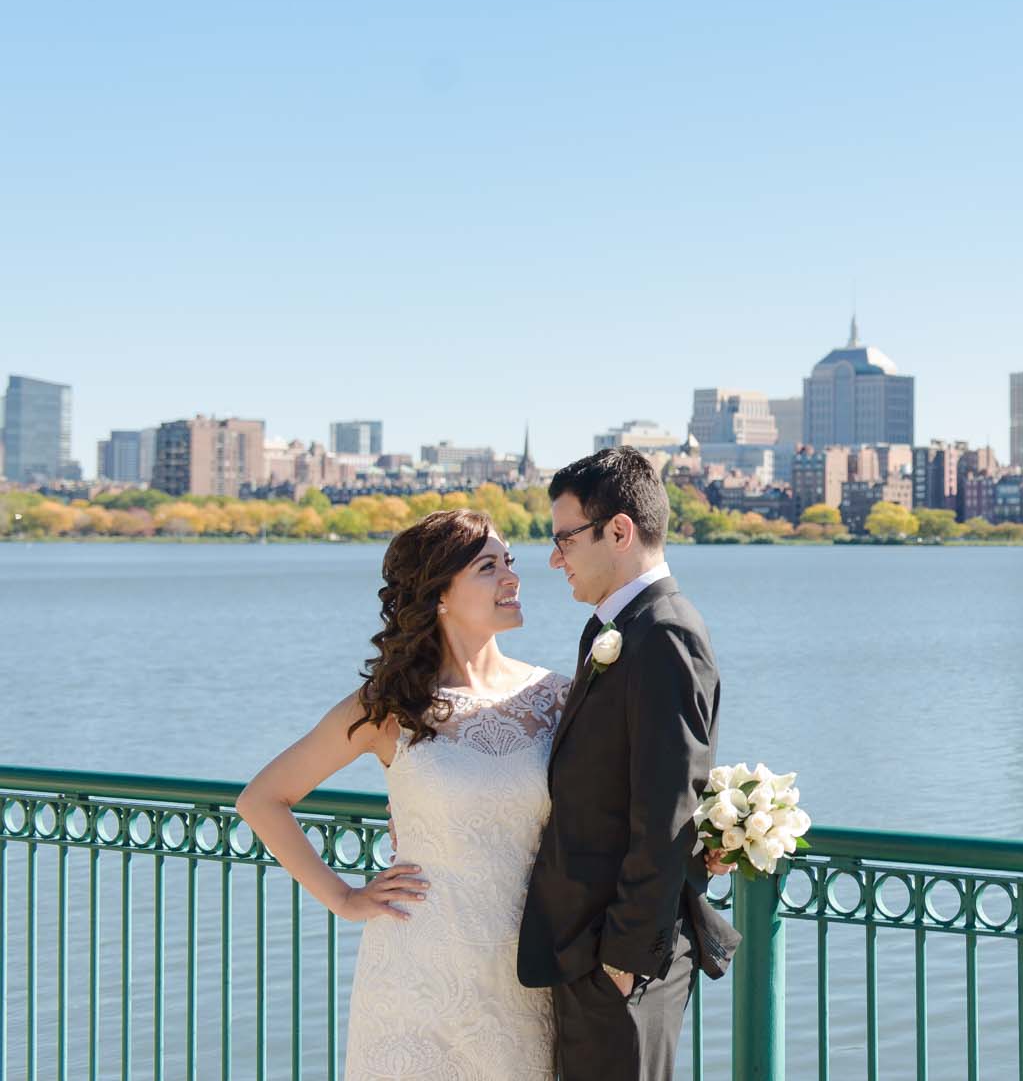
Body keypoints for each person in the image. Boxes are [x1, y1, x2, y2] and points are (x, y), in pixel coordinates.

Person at [238, 508, 567, 1080]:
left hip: (524, 972)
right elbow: (262, 799)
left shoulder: (557, 697)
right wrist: (344, 899)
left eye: (509, 562)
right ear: (439, 594)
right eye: (489, 567)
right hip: (414, 975)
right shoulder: (387, 707)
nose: (513, 578)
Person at [518, 447, 740, 1080]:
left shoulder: (664, 634)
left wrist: (623, 960)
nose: (555, 558)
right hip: (587, 949)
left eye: (565, 538)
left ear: (619, 531)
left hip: (623, 963)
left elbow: (667, 808)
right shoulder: (613, 629)